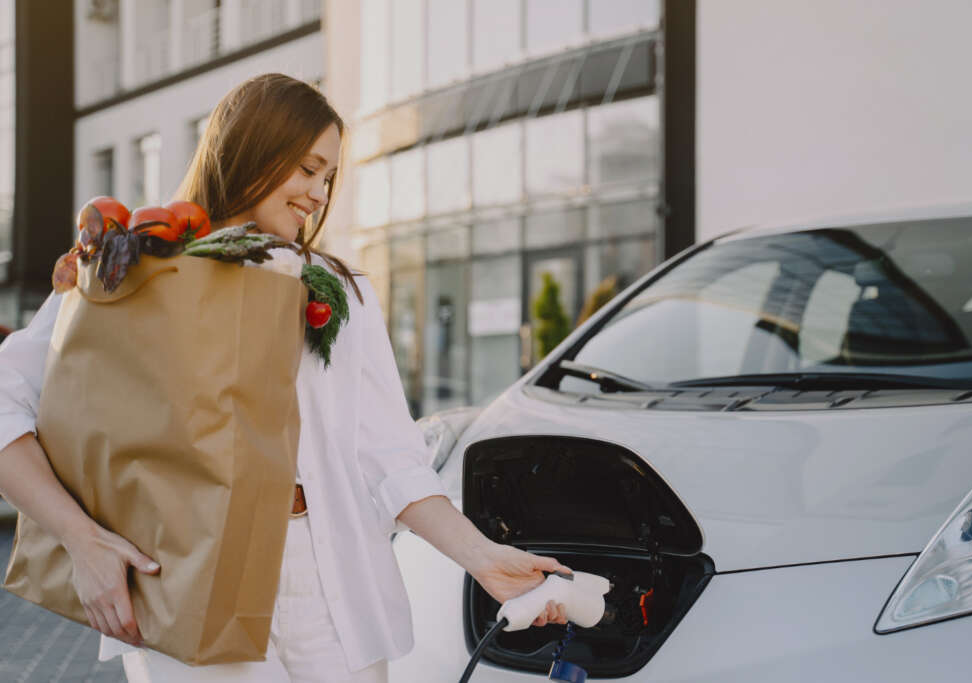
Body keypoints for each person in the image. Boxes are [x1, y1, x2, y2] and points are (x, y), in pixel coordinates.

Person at [0, 73, 570, 682]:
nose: (319, 194)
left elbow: (388, 456)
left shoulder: (339, 289)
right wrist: (81, 541)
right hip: (184, 572)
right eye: (306, 168)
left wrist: (482, 558)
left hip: (329, 577)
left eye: (328, 177)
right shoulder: (129, 269)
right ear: (250, 150)